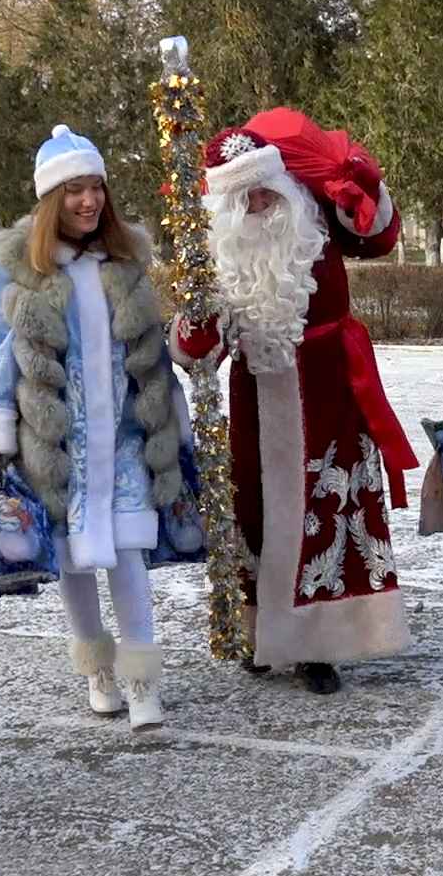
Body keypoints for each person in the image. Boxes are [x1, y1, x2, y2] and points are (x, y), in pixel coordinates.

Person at [171, 109, 417, 695]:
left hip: (332, 390)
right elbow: (193, 350)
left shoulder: (317, 222)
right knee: (257, 516)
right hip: (258, 400)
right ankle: (264, 636)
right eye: (244, 200)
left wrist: (366, 180)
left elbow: (379, 234)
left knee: (326, 513)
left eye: (264, 192)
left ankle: (319, 645)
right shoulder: (218, 261)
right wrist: (197, 318)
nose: (257, 206)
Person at [0, 125, 188, 732]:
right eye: (74, 191)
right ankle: (98, 668)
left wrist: (176, 408)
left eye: (95, 188)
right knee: (71, 561)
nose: (88, 201)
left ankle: (143, 681)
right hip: (57, 441)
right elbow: (1, 353)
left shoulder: (125, 261)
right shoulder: (20, 271)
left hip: (122, 440)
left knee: (128, 555)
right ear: (50, 200)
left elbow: (153, 351)